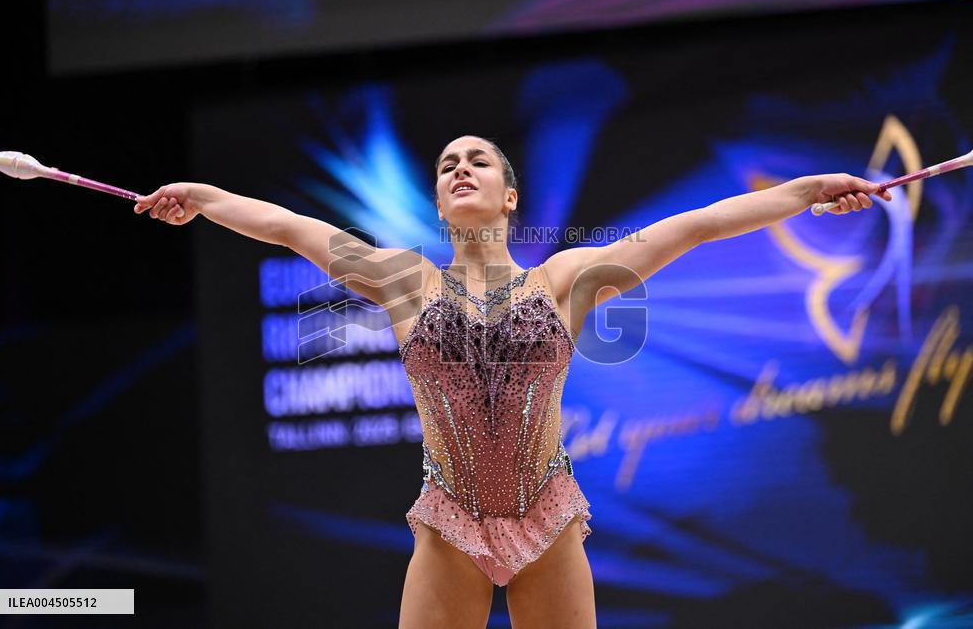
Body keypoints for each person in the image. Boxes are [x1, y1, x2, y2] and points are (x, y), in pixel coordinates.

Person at [134, 135, 891, 628]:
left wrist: (810, 190)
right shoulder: (405, 283)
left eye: (478, 162)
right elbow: (290, 228)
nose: (460, 169)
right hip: (449, 523)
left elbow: (697, 224)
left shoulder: (563, 281)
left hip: (547, 519)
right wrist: (200, 199)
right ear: (439, 201)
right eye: (446, 167)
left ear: (509, 197)